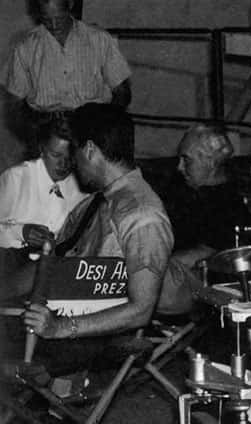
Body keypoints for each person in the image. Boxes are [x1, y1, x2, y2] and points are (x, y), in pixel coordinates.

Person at [16, 104, 172, 345]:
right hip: (59, 309)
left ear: (89, 149)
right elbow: (52, 263)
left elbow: (141, 310)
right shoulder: (95, 202)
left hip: (87, 334)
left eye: (74, 152)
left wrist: (61, 328)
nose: (72, 162)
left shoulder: (142, 216)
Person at [2, 0, 131, 151]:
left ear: (70, 4)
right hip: (46, 134)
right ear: (38, 13)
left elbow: (122, 92)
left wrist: (102, 125)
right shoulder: (25, 48)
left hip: (92, 134)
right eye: (46, 19)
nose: (54, 26)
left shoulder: (99, 40)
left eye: (60, 18)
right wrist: (36, 134)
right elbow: (14, 106)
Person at [155, 123, 251, 316]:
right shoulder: (183, 192)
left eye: (186, 160)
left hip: (196, 293)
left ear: (210, 162)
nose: (179, 167)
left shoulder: (227, 205)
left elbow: (203, 253)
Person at [0, 113, 89, 249]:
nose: (63, 164)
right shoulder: (15, 178)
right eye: (56, 155)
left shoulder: (81, 187)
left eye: (70, 157)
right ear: (42, 149)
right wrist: (21, 232)